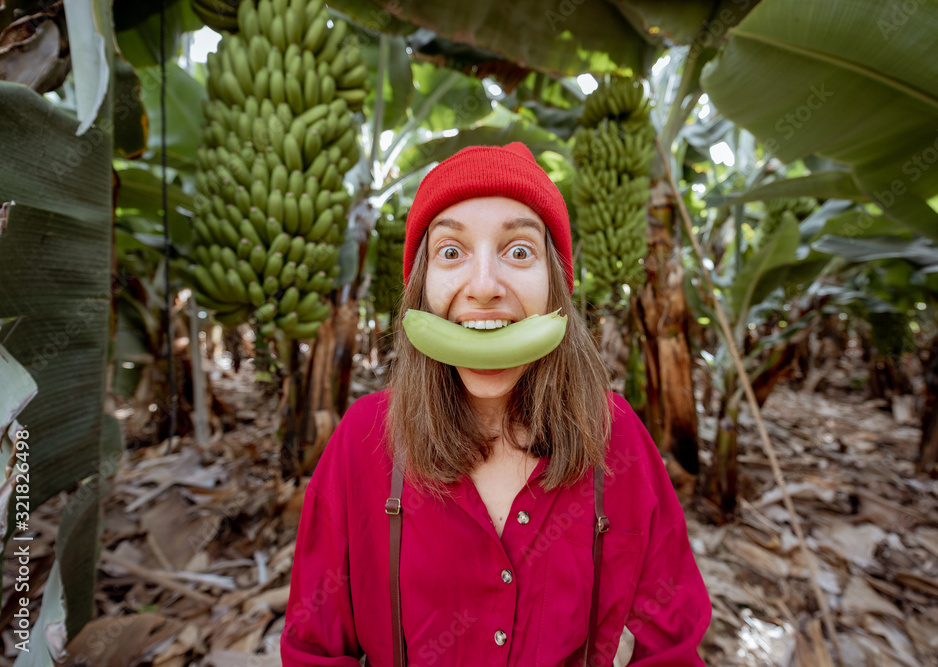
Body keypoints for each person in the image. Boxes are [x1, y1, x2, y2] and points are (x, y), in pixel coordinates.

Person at [281, 142, 711, 666]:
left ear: (557, 287)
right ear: (420, 289)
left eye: (519, 251)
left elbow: (673, 642)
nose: (484, 287)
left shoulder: (612, 435)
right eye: (451, 252)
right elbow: (314, 650)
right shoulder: (366, 438)